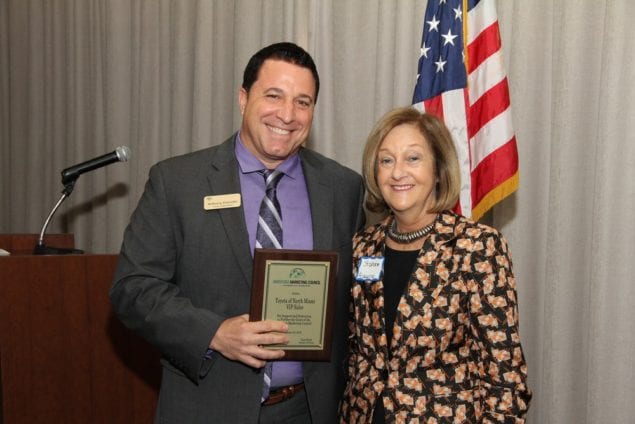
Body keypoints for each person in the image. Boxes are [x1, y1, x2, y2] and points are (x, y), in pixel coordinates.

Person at [110, 42, 365, 424]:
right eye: (274, 96)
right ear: (243, 99)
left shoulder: (343, 188)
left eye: (303, 102)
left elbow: (356, 300)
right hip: (206, 408)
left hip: (308, 411)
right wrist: (214, 333)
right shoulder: (178, 182)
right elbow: (133, 288)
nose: (287, 114)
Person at [339, 106, 531, 423]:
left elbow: (505, 376)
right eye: (387, 160)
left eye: (413, 158)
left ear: (438, 170)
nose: (398, 172)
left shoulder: (477, 247)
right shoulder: (363, 247)